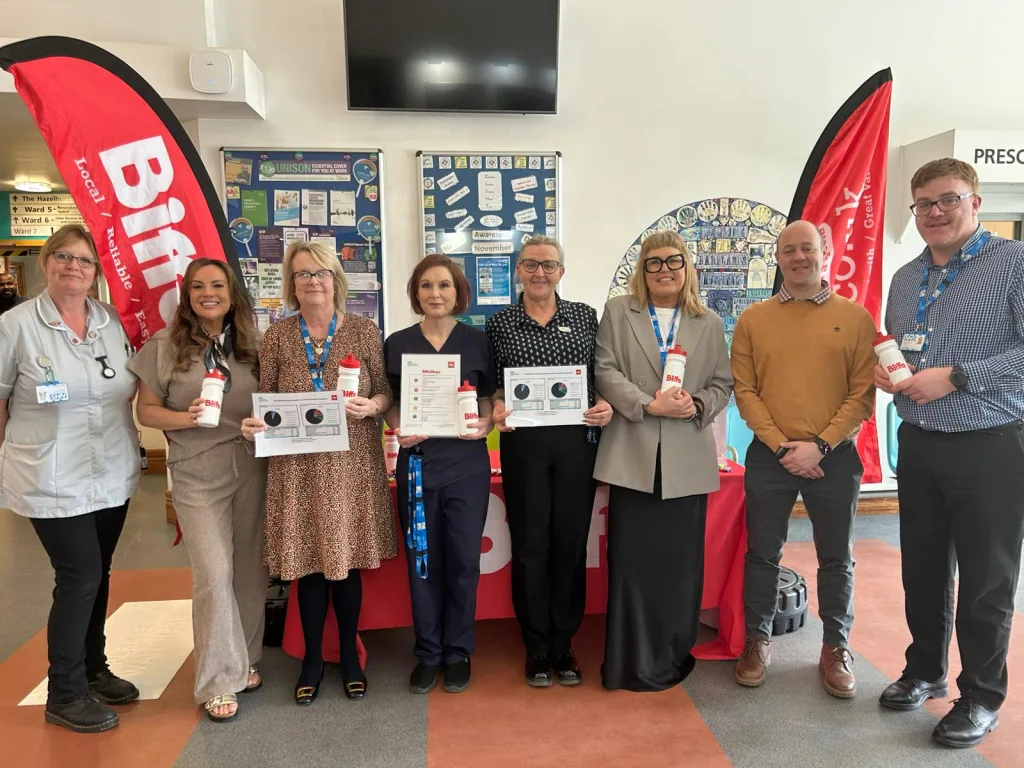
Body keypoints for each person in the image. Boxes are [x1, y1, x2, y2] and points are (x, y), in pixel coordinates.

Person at [875, 158, 1024, 748]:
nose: (934, 213)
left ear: (976, 202)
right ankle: (925, 669)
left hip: (991, 444)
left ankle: (982, 696)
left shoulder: (1013, 264)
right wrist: (895, 376)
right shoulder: (906, 277)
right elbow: (897, 347)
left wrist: (957, 376)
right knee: (924, 568)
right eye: (923, 205)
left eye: (948, 200)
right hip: (920, 443)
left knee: (988, 580)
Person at [242, 241, 396, 705]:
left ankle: (349, 655)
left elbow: (386, 392)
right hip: (298, 467)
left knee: (345, 566)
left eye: (321, 273)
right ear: (292, 284)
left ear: (336, 280)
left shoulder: (366, 330)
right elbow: (264, 397)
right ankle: (312, 658)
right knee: (307, 567)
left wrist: (374, 405)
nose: (313, 281)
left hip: (351, 465)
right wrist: (254, 424)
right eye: (303, 273)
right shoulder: (277, 335)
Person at [0, 225, 140, 733]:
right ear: (45, 263)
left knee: (99, 572)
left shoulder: (108, 320)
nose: (73, 267)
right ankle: (64, 691)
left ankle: (93, 668)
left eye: (84, 260)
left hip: (109, 467)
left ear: (96, 272)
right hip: (48, 473)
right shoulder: (16, 325)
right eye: (63, 257)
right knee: (79, 576)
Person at [730, 220, 876, 698]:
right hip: (771, 456)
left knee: (837, 557)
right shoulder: (753, 319)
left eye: (807, 248)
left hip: (834, 456)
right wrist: (782, 447)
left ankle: (836, 646)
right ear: (777, 258)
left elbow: (861, 396)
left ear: (824, 251)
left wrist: (822, 445)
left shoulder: (856, 318)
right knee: (762, 552)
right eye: (788, 250)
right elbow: (746, 393)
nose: (798, 257)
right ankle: (758, 639)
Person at [594, 230, 732, 691]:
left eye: (673, 261)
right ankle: (629, 662)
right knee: (633, 566)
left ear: (687, 266)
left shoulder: (709, 322)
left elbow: (722, 383)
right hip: (631, 455)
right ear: (642, 270)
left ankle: (673, 653)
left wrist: (695, 404)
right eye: (653, 263)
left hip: (686, 462)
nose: (664, 270)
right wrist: (647, 405)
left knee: (678, 567)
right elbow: (605, 369)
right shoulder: (619, 312)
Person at [129, 257, 266, 723]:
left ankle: (244, 659)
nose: (209, 293)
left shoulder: (254, 344)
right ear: (187, 296)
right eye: (198, 287)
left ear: (233, 294)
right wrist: (184, 418)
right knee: (213, 571)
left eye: (218, 285)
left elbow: (276, 404)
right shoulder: (164, 346)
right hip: (195, 467)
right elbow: (146, 411)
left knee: (249, 568)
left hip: (251, 464)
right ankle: (216, 679)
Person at [486, 236, 612, 687]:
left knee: (569, 543)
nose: (540, 273)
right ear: (518, 270)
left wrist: (606, 404)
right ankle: (536, 644)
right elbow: (495, 386)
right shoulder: (499, 323)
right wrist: (497, 406)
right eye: (531, 265)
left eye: (549, 265)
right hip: (524, 446)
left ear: (562, 271)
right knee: (531, 546)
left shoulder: (584, 316)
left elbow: (600, 377)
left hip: (578, 444)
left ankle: (564, 642)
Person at [383, 254, 495, 695]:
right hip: (418, 463)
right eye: (426, 286)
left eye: (444, 286)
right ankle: (429, 652)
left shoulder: (477, 341)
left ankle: (459, 650)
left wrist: (484, 424)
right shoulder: (397, 343)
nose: (435, 294)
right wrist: (396, 426)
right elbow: (390, 400)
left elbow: (487, 398)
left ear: (458, 292)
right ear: (416, 292)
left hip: (467, 463)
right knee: (423, 561)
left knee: (465, 562)